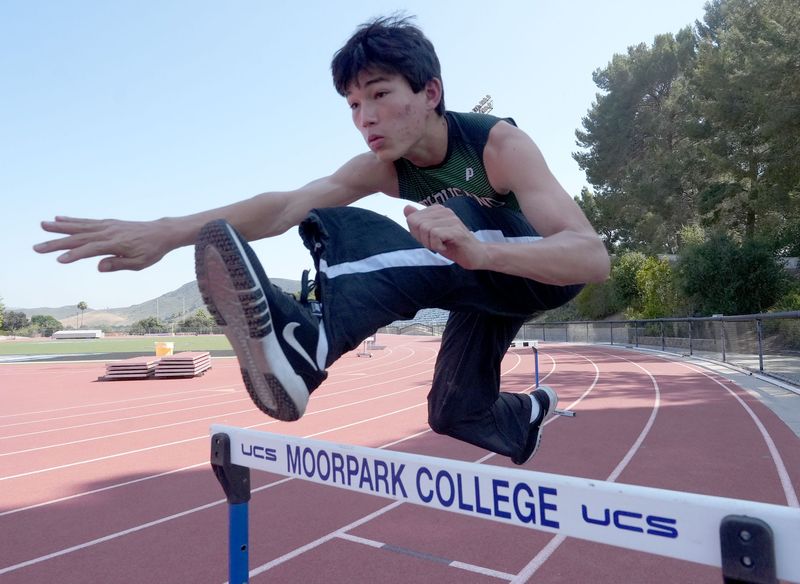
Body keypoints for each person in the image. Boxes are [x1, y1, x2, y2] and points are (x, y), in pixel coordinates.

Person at [34, 15, 610, 465]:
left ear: (430, 91)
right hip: (485, 280)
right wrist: (166, 232)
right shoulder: (383, 165)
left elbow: (590, 258)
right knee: (453, 411)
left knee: (442, 224)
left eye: (380, 94)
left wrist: (484, 251)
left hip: (539, 271)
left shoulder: (497, 146)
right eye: (354, 105)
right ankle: (525, 418)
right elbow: (286, 206)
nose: (366, 118)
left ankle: (308, 340)